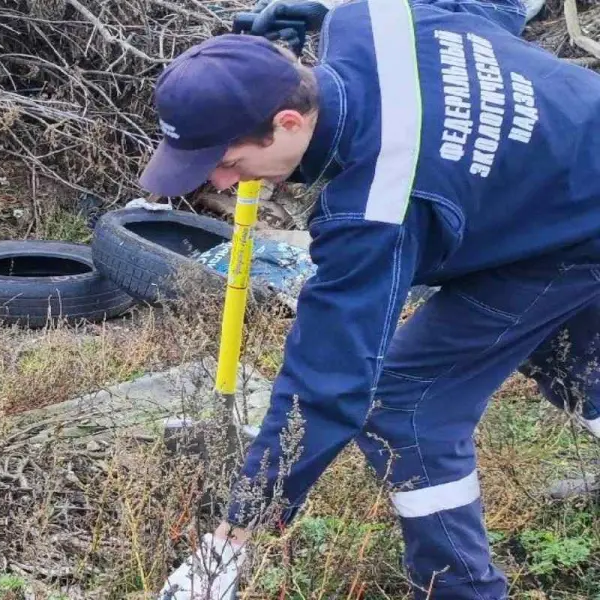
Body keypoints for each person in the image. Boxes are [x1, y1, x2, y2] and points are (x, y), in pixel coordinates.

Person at [139, 0, 600, 598]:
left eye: (229, 162)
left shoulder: (375, 211)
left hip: (575, 234)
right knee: (576, 368)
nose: (223, 184)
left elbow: (327, 384)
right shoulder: (368, 17)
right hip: (573, 153)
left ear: (288, 122)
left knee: (410, 407)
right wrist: (310, 16)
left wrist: (232, 539)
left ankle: (461, 590)